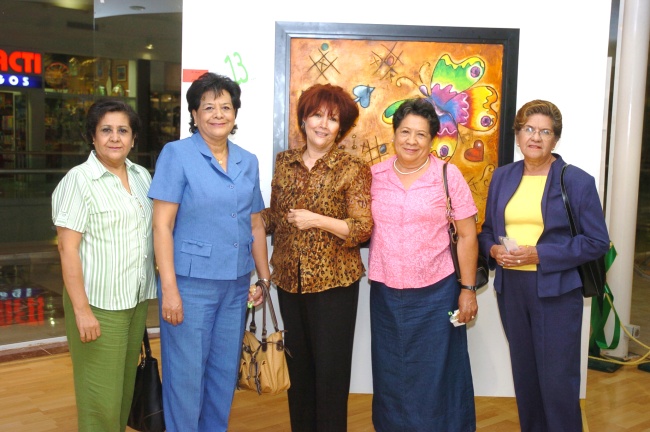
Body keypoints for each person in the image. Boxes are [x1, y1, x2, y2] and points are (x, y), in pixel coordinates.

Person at [478, 99, 610, 431]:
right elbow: (488, 231)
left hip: (556, 291)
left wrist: (539, 254)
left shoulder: (576, 180)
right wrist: (493, 249)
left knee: (557, 382)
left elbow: (597, 242)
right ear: (518, 134)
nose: (535, 137)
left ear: (555, 139)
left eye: (545, 131)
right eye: (528, 129)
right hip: (512, 290)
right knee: (525, 378)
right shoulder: (502, 177)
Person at [148, 72, 270, 432]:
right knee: (185, 376)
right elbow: (162, 226)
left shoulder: (247, 160)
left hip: (236, 285)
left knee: (222, 373)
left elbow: (255, 224)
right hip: (190, 286)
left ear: (235, 113)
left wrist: (264, 278)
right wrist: (169, 288)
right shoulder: (177, 154)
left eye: (226, 107)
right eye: (209, 107)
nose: (218, 114)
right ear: (194, 113)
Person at [260, 83, 372, 432]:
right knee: (299, 375)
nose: (323, 124)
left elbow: (362, 228)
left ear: (342, 127)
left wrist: (316, 220)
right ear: (304, 120)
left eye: (333, 119)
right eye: (317, 115)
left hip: (334, 285)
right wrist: (246, 217)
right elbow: (276, 217)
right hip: (289, 282)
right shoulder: (284, 162)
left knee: (330, 375)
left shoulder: (353, 167)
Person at [368, 98, 478, 432]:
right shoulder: (374, 176)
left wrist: (468, 290)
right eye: (405, 132)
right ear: (394, 133)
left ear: (432, 139)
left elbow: (467, 235)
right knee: (390, 370)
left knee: (437, 371)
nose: (411, 141)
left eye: (421, 134)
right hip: (386, 293)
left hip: (437, 291)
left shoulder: (447, 175)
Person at [52, 99, 156, 432]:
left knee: (123, 393)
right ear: (92, 137)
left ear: (133, 138)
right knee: (100, 401)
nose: (115, 137)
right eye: (106, 130)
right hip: (98, 305)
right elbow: (68, 249)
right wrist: (81, 311)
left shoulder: (142, 177)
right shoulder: (79, 180)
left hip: (135, 301)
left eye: (123, 130)